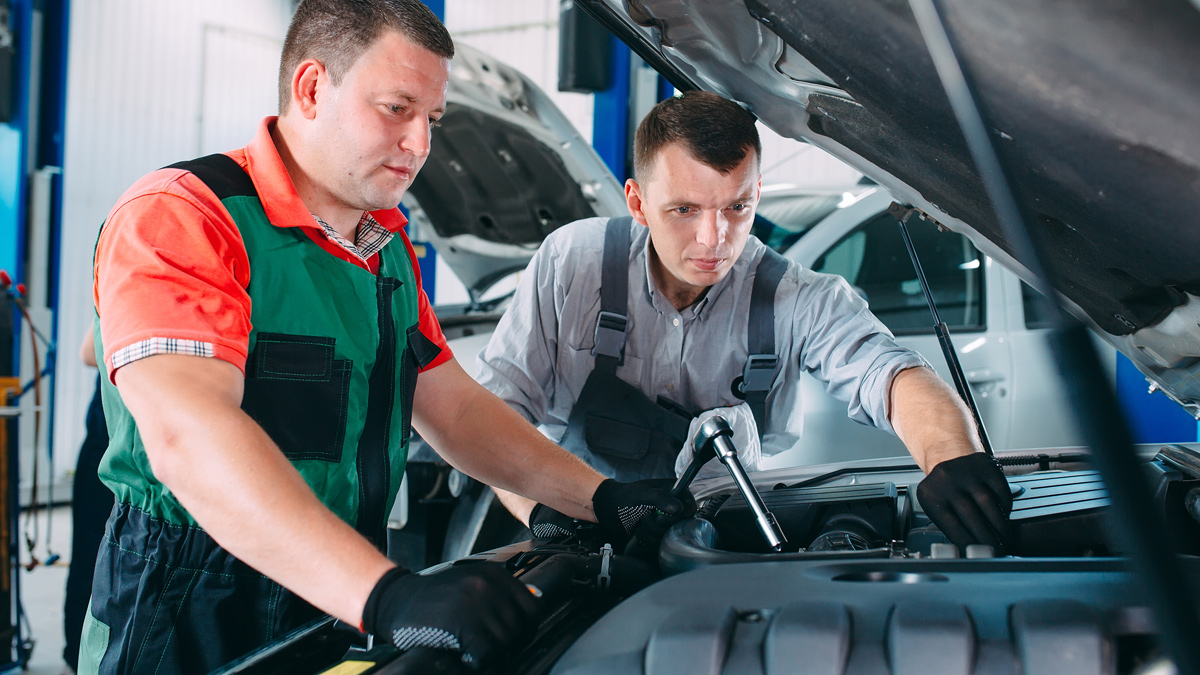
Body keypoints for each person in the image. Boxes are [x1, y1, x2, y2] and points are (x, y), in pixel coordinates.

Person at [79, 2, 689, 673]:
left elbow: (453, 406)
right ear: (311, 88)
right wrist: (386, 592)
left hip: (333, 585)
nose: (421, 144)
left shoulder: (384, 249)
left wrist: (599, 496)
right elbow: (187, 438)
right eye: (397, 108)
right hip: (190, 605)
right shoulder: (183, 215)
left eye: (432, 119)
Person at [477, 90, 1013, 551]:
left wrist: (949, 457)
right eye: (684, 210)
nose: (714, 240)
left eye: (736, 208)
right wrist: (546, 514)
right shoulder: (574, 264)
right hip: (580, 532)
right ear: (637, 203)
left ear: (757, 194)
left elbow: (891, 375)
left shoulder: (796, 297)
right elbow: (495, 412)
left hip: (723, 539)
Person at [61, 330, 113, 675]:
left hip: (122, 451)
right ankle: (74, 659)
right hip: (106, 447)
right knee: (91, 559)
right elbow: (87, 353)